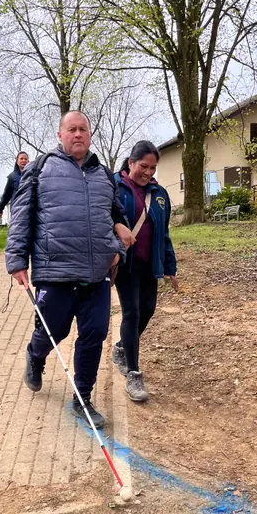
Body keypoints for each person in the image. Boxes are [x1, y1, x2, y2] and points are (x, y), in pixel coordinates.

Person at [5, 111, 134, 429]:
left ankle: (83, 399)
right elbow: (21, 214)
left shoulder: (103, 174)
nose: (78, 134)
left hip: (97, 273)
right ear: (60, 135)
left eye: (83, 129)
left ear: (89, 135)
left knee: (94, 335)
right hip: (55, 272)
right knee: (54, 330)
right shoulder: (40, 168)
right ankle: (35, 355)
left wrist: (117, 251)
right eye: (71, 129)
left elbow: (118, 217)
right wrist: (17, 260)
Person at [112, 140, 178, 403]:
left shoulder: (160, 194)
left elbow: (164, 234)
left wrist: (170, 266)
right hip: (125, 264)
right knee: (132, 312)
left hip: (151, 264)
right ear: (130, 162)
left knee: (148, 310)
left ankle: (121, 347)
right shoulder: (114, 187)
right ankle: (134, 374)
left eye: (153, 168)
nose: (148, 172)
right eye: (143, 166)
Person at [0, 151, 29, 223]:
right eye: (21, 159)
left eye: (25, 159)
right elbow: (6, 195)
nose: (23, 160)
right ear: (17, 161)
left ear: (28, 161)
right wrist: (0, 208)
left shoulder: (34, 175)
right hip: (17, 210)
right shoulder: (12, 177)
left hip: (30, 208)